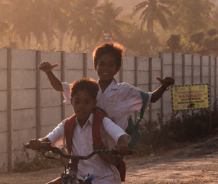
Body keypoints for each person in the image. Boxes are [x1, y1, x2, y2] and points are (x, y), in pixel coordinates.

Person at [38, 42, 175, 131]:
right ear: (95, 66)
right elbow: (60, 87)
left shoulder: (124, 90)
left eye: (110, 65)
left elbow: (151, 98)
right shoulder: (88, 88)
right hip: (89, 146)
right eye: (101, 64)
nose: (105, 68)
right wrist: (48, 72)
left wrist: (163, 87)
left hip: (114, 149)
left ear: (117, 68)